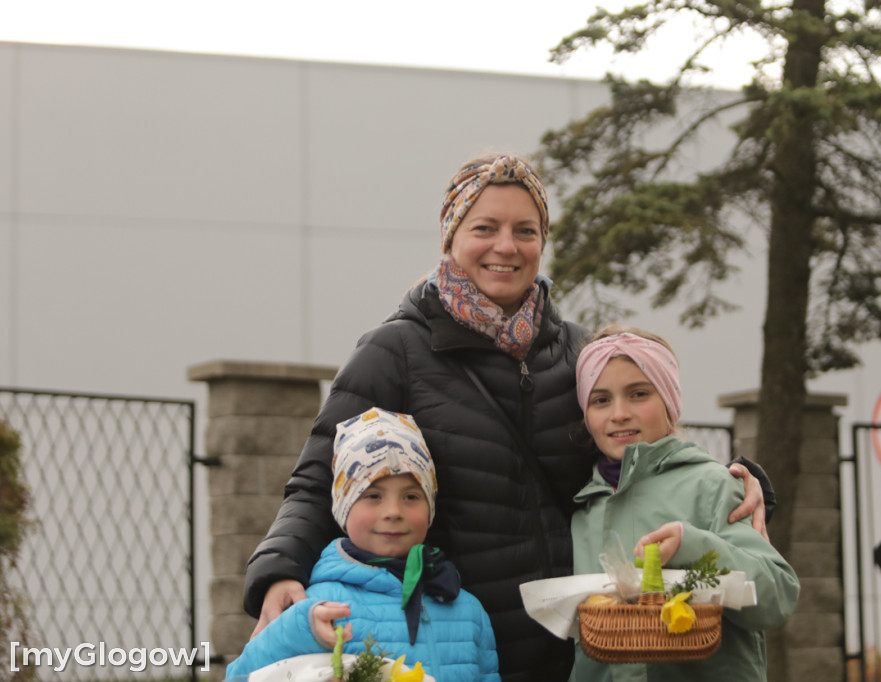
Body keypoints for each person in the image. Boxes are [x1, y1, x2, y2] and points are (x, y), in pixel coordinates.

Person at [242, 153, 774, 682]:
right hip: (462, 638)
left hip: (580, 646)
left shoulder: (577, 353)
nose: (506, 246)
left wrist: (734, 480)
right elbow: (320, 480)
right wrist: (278, 570)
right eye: (485, 227)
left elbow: (636, 456)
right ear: (450, 238)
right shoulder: (394, 352)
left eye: (525, 230)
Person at [569, 326, 800, 682]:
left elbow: (777, 597)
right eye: (600, 400)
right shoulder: (583, 506)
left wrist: (694, 546)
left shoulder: (711, 485)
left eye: (638, 394)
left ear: (670, 402)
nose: (619, 413)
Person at [227, 408, 500, 681]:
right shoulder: (318, 607)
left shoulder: (468, 610)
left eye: (411, 496)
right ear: (344, 508)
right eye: (373, 495)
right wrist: (300, 630)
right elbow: (240, 676)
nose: (393, 511)